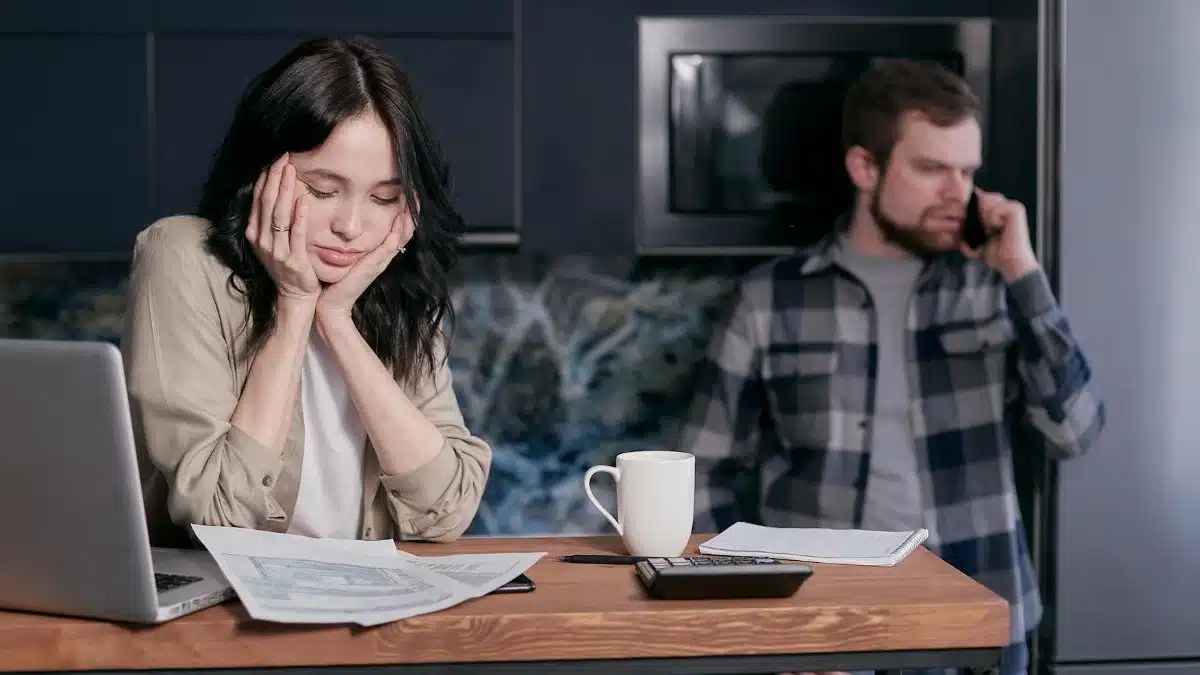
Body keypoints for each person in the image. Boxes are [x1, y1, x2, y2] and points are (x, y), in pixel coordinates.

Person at [677, 59, 1105, 675]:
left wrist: (1024, 274)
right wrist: (765, 618)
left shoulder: (995, 288)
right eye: (932, 169)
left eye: (967, 171)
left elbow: (1074, 431)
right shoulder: (769, 301)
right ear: (865, 168)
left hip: (980, 628)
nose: (958, 192)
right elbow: (698, 478)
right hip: (823, 634)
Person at [122, 36, 491, 548]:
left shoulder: (389, 281)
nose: (352, 225)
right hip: (223, 615)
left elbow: (446, 511)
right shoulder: (183, 257)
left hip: (366, 607)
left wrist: (337, 321)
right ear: (261, 174)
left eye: (385, 197)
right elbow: (219, 516)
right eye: (322, 191)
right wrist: (295, 308)